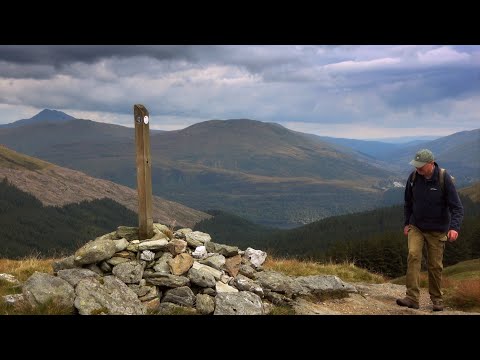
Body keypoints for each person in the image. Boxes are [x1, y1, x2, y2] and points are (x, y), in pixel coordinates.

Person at [397, 148, 464, 311]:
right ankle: (412, 298)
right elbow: (408, 203)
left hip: (438, 229)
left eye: (420, 166)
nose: (417, 169)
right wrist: (407, 223)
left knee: (435, 265)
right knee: (413, 256)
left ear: (431, 164)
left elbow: (457, 208)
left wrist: (454, 228)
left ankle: (437, 299)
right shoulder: (413, 178)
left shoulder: (443, 178)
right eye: (416, 165)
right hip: (416, 226)